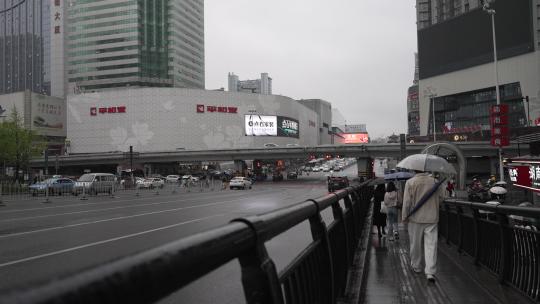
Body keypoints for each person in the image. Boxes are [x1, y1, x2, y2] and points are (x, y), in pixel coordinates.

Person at [402, 170, 445, 283]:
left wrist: (404, 216)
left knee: (415, 244)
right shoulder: (435, 182)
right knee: (431, 245)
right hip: (432, 217)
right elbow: (441, 198)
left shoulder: (410, 182)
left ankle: (416, 266)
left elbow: (406, 202)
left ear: (414, 169)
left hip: (415, 219)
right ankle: (430, 272)